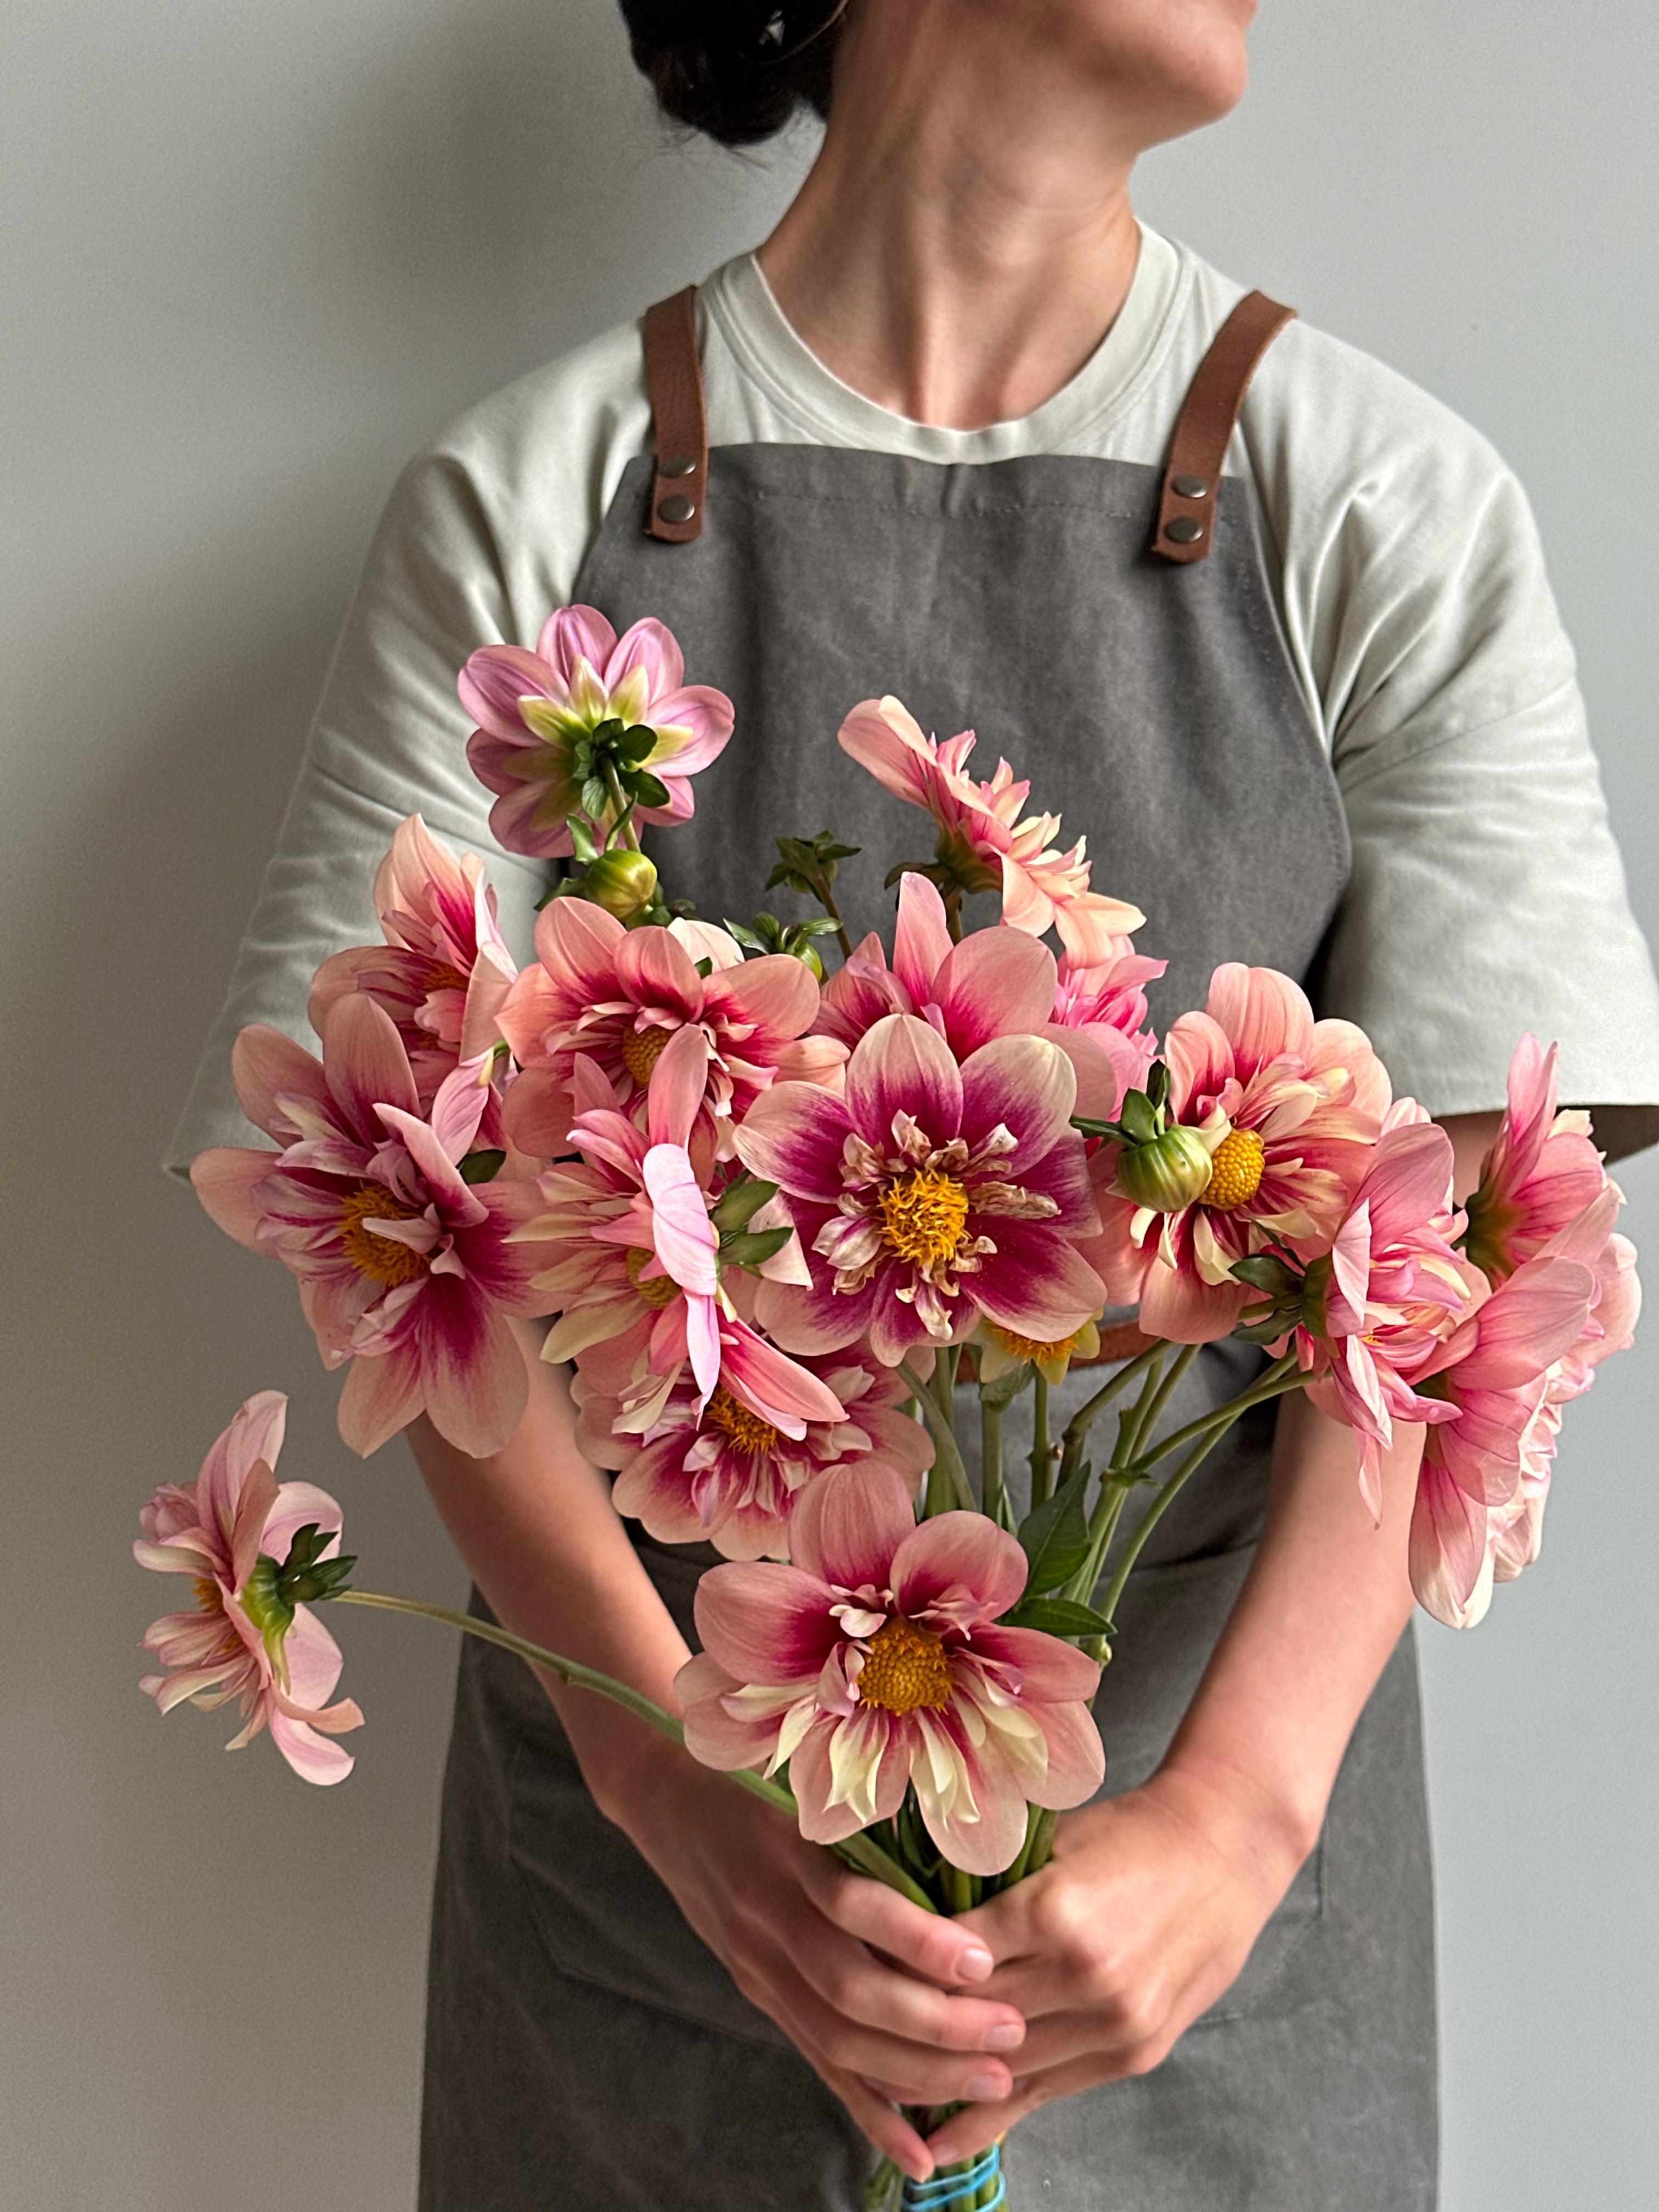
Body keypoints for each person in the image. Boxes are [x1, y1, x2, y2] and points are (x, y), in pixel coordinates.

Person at [168, 3, 1659, 2207]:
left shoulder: (1385, 503)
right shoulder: (528, 496)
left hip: (1196, 1933)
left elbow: (1458, 1227)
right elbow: (383, 1214)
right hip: (655, 1917)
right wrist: (674, 1787)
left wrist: (1237, 1816)